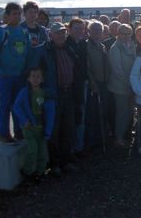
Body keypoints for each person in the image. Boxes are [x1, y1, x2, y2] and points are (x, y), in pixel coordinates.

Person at [0, 2, 31, 143]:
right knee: (5, 105)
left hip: (19, 76)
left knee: (18, 105)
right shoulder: (1, 32)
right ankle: (3, 133)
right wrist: (0, 73)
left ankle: (19, 131)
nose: (17, 16)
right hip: (5, 77)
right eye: (14, 13)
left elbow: (27, 53)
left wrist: (25, 71)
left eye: (19, 13)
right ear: (7, 15)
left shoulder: (24, 32)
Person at [42, 22, 79, 175]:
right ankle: (54, 164)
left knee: (68, 128)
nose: (61, 35)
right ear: (51, 34)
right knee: (54, 130)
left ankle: (66, 161)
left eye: (63, 33)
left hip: (68, 92)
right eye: (57, 33)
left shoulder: (68, 49)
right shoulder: (44, 51)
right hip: (53, 95)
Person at [13, 67, 55, 180]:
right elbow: (16, 107)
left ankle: (40, 173)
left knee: (43, 153)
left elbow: (50, 113)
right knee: (32, 149)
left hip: (41, 129)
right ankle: (28, 172)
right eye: (33, 76)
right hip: (28, 128)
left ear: (42, 79)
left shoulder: (45, 94)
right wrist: (24, 120)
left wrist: (48, 131)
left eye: (38, 76)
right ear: (28, 78)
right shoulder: (24, 92)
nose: (35, 79)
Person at [108, 24, 136, 147]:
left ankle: (123, 136)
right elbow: (117, 70)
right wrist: (129, 83)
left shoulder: (131, 45)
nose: (126, 36)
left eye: (128, 33)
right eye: (123, 33)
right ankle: (118, 137)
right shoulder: (115, 48)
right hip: (120, 86)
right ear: (118, 34)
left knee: (129, 112)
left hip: (131, 85)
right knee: (121, 113)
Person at [85, 21, 110, 151]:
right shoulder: (86, 46)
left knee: (103, 111)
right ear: (89, 31)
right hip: (94, 84)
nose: (97, 33)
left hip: (104, 83)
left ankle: (101, 139)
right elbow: (87, 68)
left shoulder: (102, 46)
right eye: (94, 30)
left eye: (99, 31)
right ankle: (92, 142)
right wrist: (93, 84)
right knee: (93, 114)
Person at [66, 18, 88, 155]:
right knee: (71, 117)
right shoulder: (66, 44)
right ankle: (71, 147)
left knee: (81, 116)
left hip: (82, 83)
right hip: (69, 85)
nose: (79, 31)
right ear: (69, 29)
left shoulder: (83, 44)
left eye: (81, 29)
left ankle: (79, 146)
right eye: (76, 28)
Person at [21, 1, 49, 70]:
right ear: (24, 14)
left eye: (35, 12)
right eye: (30, 12)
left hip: (39, 65)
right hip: (24, 65)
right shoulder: (19, 29)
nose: (33, 14)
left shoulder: (42, 30)